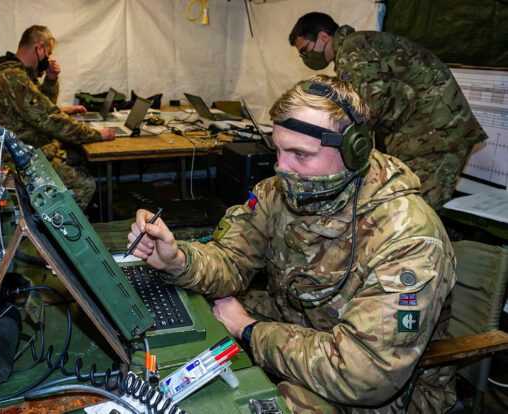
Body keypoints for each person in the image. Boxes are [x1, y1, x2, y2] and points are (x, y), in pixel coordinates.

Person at [128, 75, 456, 413]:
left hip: (388, 392)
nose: (282, 168)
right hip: (300, 336)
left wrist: (249, 331)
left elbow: (363, 374)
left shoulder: (409, 238)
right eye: (279, 150)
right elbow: (231, 259)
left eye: (300, 154)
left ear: (354, 152)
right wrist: (178, 260)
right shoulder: (279, 193)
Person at [288, 12, 487, 210]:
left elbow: (366, 108)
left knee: (416, 209)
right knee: (408, 202)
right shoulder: (359, 44)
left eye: (306, 50)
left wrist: (331, 139)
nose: (306, 58)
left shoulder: (352, 49)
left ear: (323, 37)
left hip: (435, 133)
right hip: (430, 128)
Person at [0, 25, 115, 211]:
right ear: (40, 48)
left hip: (20, 149)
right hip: (17, 159)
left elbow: (38, 109)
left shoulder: (13, 73)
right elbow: (49, 119)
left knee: (79, 161)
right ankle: (57, 231)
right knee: (85, 185)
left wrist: (50, 80)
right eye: (48, 52)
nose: (49, 58)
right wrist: (96, 134)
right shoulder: (13, 78)